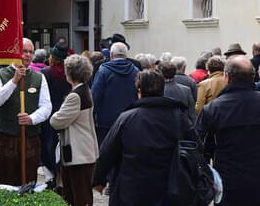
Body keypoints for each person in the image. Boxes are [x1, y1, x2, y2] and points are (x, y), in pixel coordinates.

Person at [92, 69, 195, 205]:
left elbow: (107, 151)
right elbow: (195, 146)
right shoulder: (178, 117)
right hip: (169, 189)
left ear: (139, 90)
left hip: (132, 190)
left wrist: (99, 180)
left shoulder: (127, 118)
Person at [196, 56, 260, 205]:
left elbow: (199, 146)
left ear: (227, 77)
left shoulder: (213, 109)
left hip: (228, 181)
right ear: (253, 76)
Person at [0, 38, 52, 185]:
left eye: (30, 52)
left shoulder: (39, 77)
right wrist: (14, 81)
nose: (27, 55)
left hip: (30, 138)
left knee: (29, 181)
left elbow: (46, 106)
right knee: (6, 181)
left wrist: (31, 118)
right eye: (24, 51)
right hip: (6, 138)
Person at [50, 54, 98, 206]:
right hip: (84, 151)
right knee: (81, 194)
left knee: (79, 197)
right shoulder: (85, 90)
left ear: (70, 73)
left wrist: (56, 114)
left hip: (78, 153)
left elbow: (56, 121)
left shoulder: (75, 96)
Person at [91, 42, 139, 146]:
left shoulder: (103, 71)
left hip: (106, 121)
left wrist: (93, 115)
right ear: (126, 56)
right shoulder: (135, 71)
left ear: (111, 55)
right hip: (129, 120)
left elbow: (95, 96)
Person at [40, 42, 71, 187]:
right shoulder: (69, 73)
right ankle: (63, 174)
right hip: (66, 113)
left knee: (49, 144)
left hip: (50, 114)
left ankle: (52, 175)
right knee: (65, 143)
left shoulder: (46, 73)